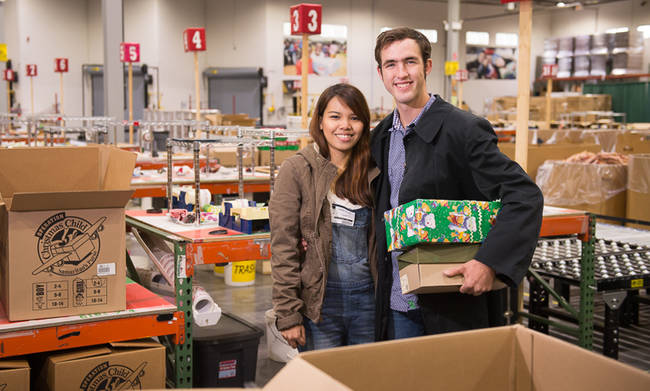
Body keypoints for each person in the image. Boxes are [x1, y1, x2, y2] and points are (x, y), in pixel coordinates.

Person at [371, 27, 544, 340]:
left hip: (450, 301)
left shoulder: (463, 130)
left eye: (410, 62)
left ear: (427, 66)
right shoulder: (381, 137)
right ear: (381, 72)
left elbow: (523, 195)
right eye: (391, 64)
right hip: (397, 301)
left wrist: (489, 262)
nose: (401, 73)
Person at [270, 83, 376, 350]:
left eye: (355, 118)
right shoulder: (297, 170)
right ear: (319, 121)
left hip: (369, 302)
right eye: (335, 116)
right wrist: (288, 313)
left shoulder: (374, 171)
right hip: (320, 303)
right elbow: (284, 246)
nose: (345, 126)